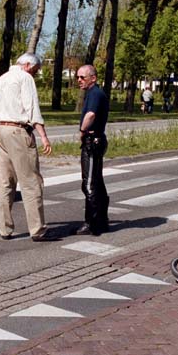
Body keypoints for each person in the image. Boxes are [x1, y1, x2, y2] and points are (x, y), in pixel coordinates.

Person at [0, 52, 52, 242]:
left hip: (0, 129)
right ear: (28, 65)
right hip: (17, 131)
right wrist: (43, 136)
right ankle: (37, 229)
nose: (36, 74)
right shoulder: (25, 78)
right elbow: (32, 108)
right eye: (36, 70)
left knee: (5, 182)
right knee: (31, 182)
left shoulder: (2, 79)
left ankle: (5, 228)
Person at [76, 64, 110, 236]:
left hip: (93, 141)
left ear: (93, 78)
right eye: (77, 77)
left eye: (82, 77)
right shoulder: (93, 93)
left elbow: (91, 115)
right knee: (97, 181)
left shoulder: (95, 93)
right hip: (97, 140)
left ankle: (92, 223)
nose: (79, 80)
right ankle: (102, 221)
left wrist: (82, 132)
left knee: (89, 184)